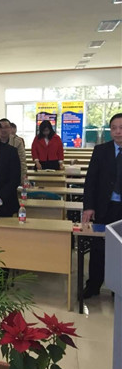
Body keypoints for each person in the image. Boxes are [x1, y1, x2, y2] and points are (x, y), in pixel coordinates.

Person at [81, 113, 122, 299]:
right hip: (104, 207)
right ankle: (93, 285)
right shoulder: (101, 150)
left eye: (121, 128)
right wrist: (89, 207)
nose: (118, 132)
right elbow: (91, 180)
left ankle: (117, 289)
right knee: (98, 248)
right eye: (114, 128)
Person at [0, 118, 27, 183]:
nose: (3, 130)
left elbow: (22, 161)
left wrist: (22, 178)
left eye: (6, 127)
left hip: (13, 175)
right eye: (1, 127)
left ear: (10, 128)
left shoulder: (17, 141)